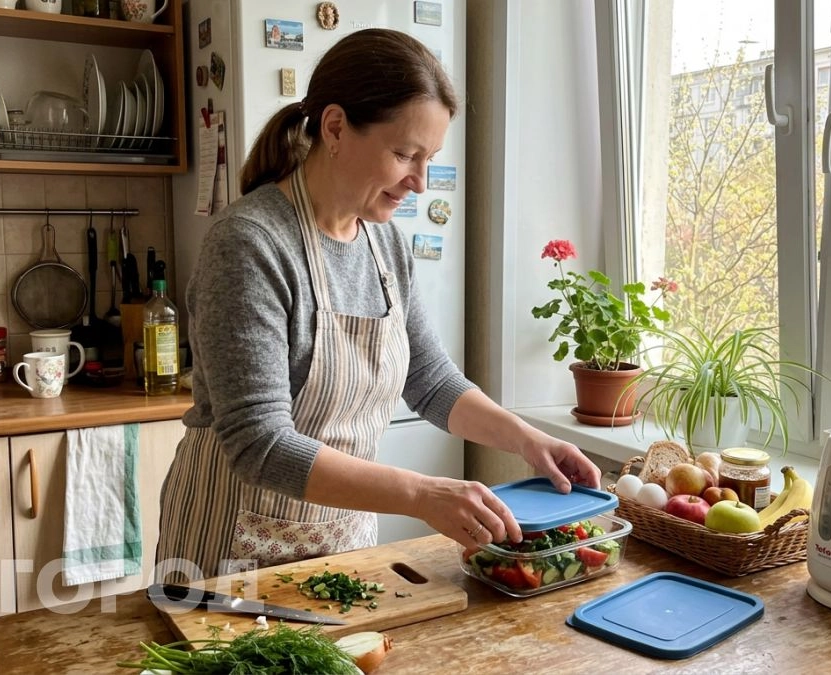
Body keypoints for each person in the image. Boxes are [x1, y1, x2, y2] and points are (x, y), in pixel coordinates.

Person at [156, 28, 599, 578]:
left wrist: (531, 442)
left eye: (430, 158)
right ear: (336, 127)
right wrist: (420, 493)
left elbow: (431, 379)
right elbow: (259, 444)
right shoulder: (249, 243)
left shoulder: (382, 241)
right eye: (405, 154)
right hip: (233, 552)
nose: (420, 182)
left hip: (344, 541)